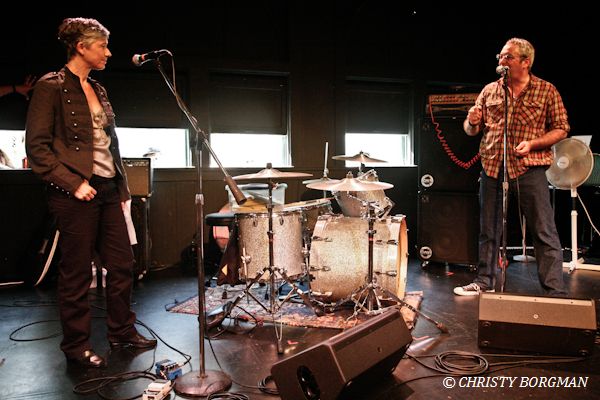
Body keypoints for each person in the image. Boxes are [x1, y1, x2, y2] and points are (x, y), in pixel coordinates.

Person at [25, 17, 156, 368]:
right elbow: (37, 149)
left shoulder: (98, 88)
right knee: (77, 274)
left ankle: (122, 331)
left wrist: (122, 186)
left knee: (123, 265)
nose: (108, 53)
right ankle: (76, 346)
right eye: (102, 46)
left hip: (109, 188)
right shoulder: (50, 87)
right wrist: (74, 183)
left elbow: (111, 143)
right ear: (81, 47)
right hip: (75, 193)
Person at [454, 38, 569, 297]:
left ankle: (555, 291)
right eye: (500, 56)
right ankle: (485, 281)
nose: (501, 61)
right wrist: (471, 121)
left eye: (508, 57)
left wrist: (534, 144)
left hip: (529, 169)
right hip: (492, 168)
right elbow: (471, 130)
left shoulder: (546, 90)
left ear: (525, 62)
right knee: (488, 230)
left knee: (543, 230)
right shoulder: (490, 90)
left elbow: (561, 128)